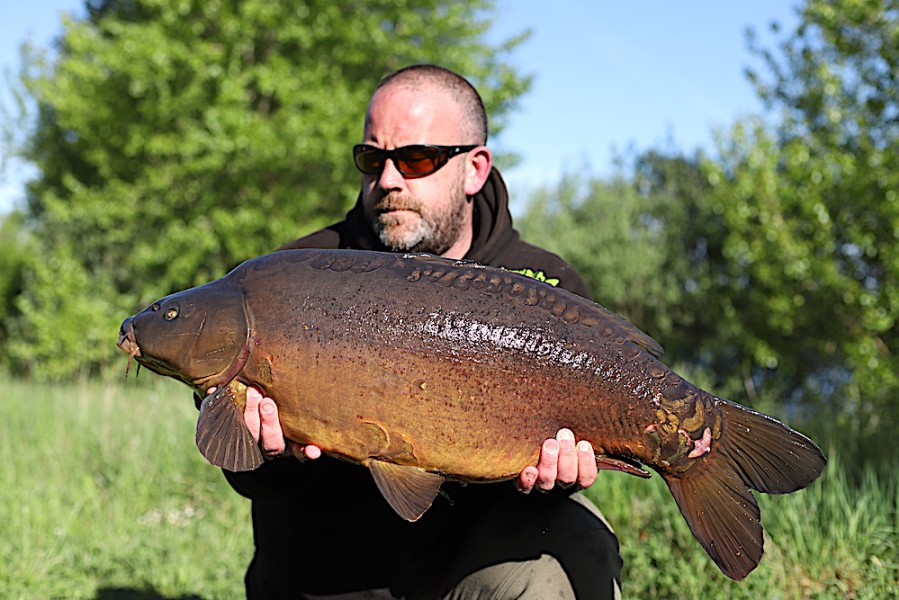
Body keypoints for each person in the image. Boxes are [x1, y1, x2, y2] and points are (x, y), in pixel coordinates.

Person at [223, 64, 623, 599]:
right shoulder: (291, 277)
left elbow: (546, 485)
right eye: (372, 158)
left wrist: (558, 478)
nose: (388, 179)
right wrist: (270, 456)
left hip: (461, 579)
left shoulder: (546, 289)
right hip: (323, 582)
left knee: (573, 535)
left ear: (475, 168)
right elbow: (246, 473)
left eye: (416, 158)